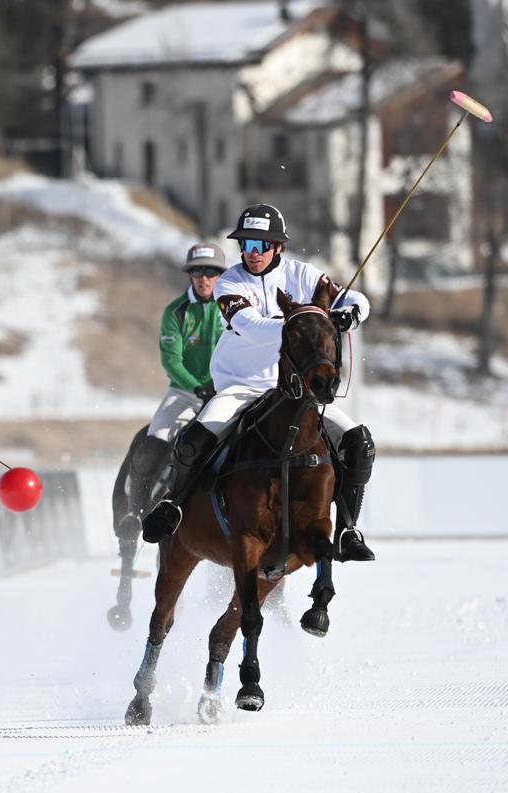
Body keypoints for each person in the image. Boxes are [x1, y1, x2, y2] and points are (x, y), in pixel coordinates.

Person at [141, 203, 376, 562]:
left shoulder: (302, 274)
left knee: (360, 443)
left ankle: (347, 529)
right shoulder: (230, 282)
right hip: (241, 386)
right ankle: (172, 506)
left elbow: (356, 298)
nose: (252, 253)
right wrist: (305, 322)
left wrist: (349, 314)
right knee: (194, 441)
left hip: (293, 392)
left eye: (260, 245)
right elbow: (250, 328)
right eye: (246, 245)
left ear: (278, 247)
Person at [123, 242, 228, 534]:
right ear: (189, 275)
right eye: (197, 272)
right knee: (154, 439)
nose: (203, 278)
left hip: (226, 392)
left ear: (220, 274)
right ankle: (136, 514)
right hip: (184, 393)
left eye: (210, 271)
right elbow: (171, 360)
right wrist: (198, 387)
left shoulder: (233, 308)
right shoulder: (176, 311)